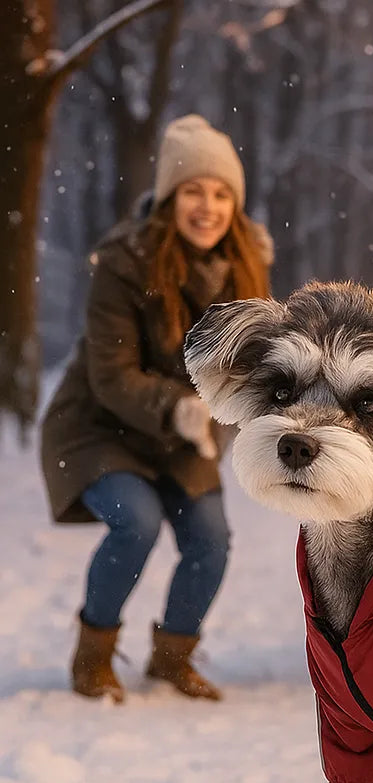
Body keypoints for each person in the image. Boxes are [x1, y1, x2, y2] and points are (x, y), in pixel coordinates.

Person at [40, 114, 273, 704]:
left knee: (211, 540)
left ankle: (173, 657)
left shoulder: (247, 267)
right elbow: (111, 375)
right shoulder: (124, 261)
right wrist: (180, 407)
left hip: (181, 435)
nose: (207, 206)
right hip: (99, 426)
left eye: (222, 194)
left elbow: (259, 359)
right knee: (136, 522)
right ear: (170, 198)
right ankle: (92, 656)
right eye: (193, 190)